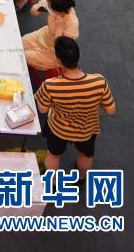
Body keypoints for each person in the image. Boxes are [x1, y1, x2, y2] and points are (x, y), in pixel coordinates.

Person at [35, 38, 116, 179]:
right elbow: (111, 110)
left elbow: (42, 109)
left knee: (53, 155)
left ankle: (52, 181)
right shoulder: (99, 81)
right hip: (87, 129)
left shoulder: (50, 85)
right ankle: (81, 177)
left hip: (58, 129)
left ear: (58, 61)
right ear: (79, 55)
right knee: (86, 155)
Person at [23, 0, 80, 73]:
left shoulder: (72, 23)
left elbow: (60, 48)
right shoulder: (52, 2)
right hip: (44, 35)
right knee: (19, 44)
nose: (48, 7)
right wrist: (39, 8)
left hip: (54, 52)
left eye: (51, 8)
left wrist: (59, 28)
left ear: (59, 11)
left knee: (23, 56)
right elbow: (33, 12)